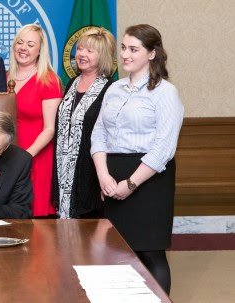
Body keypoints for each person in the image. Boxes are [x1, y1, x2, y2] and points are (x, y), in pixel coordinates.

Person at [91, 24, 184, 294]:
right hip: (112, 175)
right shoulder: (115, 89)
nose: (125, 55)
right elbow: (98, 135)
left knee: (150, 253)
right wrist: (104, 175)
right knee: (118, 253)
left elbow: (163, 148)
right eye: (123, 47)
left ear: (152, 54)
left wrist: (130, 184)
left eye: (134, 49)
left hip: (149, 180)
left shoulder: (166, 92)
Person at [53, 27, 116, 219]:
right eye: (80, 49)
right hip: (63, 172)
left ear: (103, 55)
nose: (81, 54)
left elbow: (111, 136)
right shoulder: (72, 83)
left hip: (91, 176)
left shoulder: (111, 89)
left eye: (89, 51)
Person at [7, 24, 62, 217]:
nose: (23, 48)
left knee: (37, 223)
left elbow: (50, 128)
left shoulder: (48, 80)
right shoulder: (5, 77)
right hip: (7, 156)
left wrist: (26, 156)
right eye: (20, 42)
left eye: (30, 44)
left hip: (36, 157)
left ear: (40, 50)